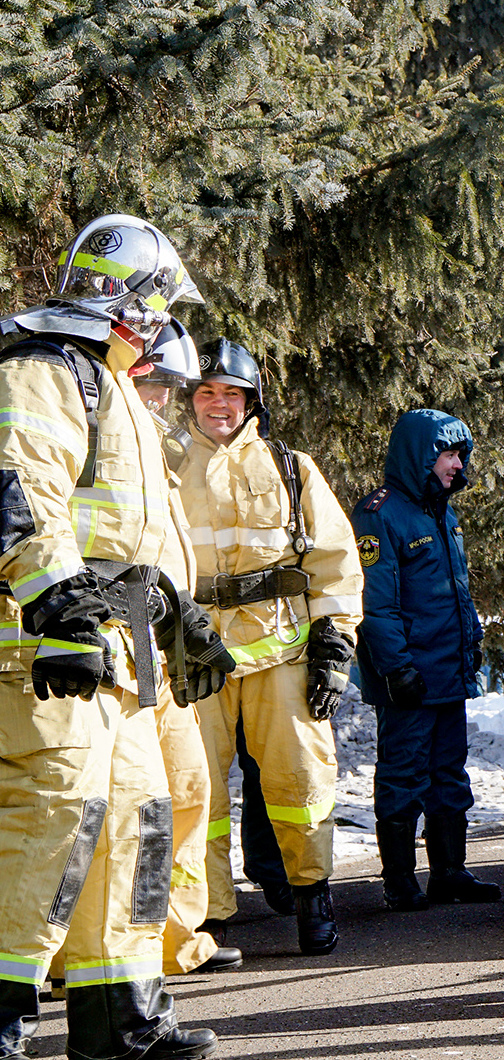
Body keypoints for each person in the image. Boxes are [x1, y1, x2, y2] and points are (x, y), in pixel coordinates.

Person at [0, 214, 231, 1057]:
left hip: (119, 656)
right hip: (49, 651)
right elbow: (21, 490)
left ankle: (122, 1019)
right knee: (52, 823)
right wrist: (58, 609)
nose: (164, 322)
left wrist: (179, 614)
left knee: (138, 820)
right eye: (160, 304)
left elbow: (131, 536)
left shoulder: (112, 383)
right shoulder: (45, 371)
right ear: (131, 299)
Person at [177, 338, 363, 957]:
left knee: (300, 780)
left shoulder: (292, 467)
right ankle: (206, 917)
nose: (218, 404)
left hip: (280, 654)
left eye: (230, 393)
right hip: (193, 655)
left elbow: (335, 559)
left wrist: (334, 640)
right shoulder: (164, 464)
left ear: (250, 399)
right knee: (192, 789)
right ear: (191, 399)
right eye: (206, 392)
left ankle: (313, 896)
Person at [128, 329, 245, 977]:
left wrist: (185, 619)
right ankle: (76, 956)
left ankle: (176, 940)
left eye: (167, 389)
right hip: (117, 652)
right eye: (157, 385)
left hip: (165, 648)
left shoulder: (152, 448)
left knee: (188, 791)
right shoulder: (103, 438)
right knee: (126, 807)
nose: (164, 399)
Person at [351, 409, 501, 911]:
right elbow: (376, 603)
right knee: (403, 776)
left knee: (449, 775)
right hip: (410, 677)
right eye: (448, 454)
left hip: (448, 671)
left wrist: (472, 639)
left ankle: (449, 873)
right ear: (420, 455)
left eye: (461, 454)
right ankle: (399, 880)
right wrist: (396, 667)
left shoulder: (442, 512)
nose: (457, 464)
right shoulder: (380, 513)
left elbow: (455, 589)